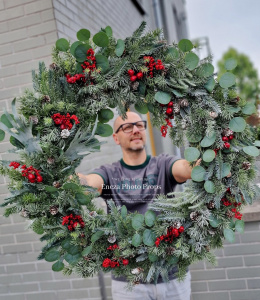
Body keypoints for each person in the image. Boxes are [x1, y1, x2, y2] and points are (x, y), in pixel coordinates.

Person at [78, 111, 200, 300]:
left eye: (139, 125)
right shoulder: (110, 173)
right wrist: (76, 181)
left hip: (172, 276)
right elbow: (90, 182)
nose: (135, 130)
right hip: (129, 282)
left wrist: (202, 161)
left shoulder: (162, 164)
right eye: (127, 127)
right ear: (116, 138)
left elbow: (185, 168)